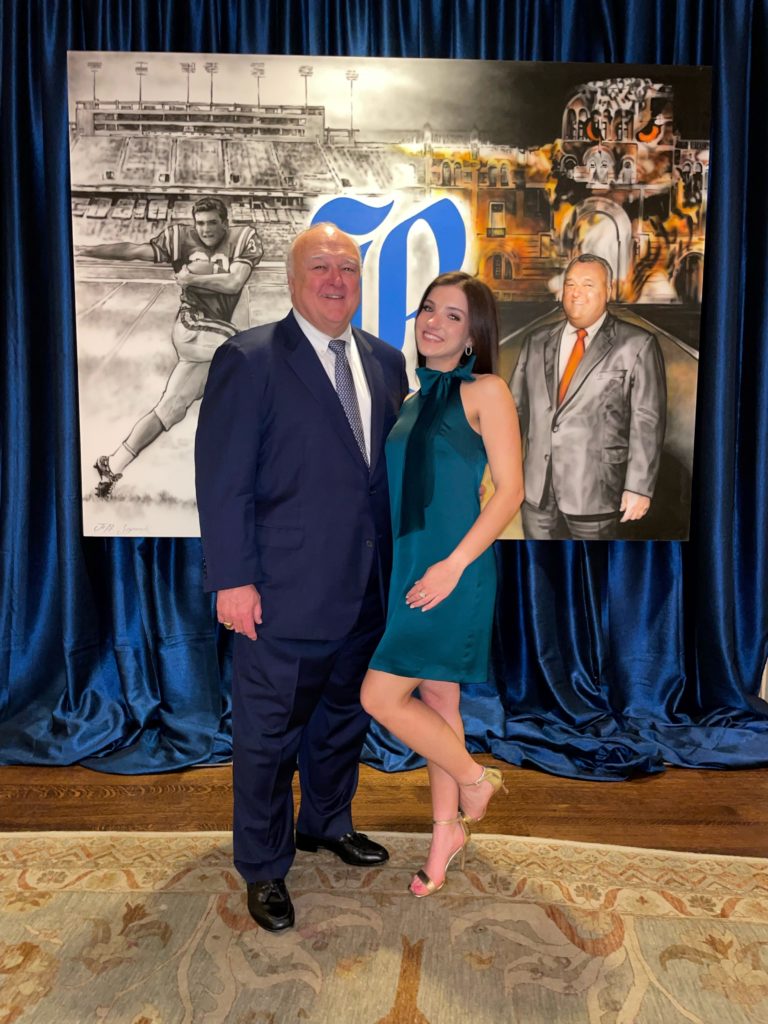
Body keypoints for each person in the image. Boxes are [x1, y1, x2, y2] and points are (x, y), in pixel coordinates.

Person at [194, 223, 408, 931]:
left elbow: (376, 480)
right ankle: (262, 865)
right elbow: (223, 482)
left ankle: (326, 821)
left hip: (366, 590)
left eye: (347, 267)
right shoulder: (247, 360)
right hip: (279, 594)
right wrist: (233, 580)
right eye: (320, 266)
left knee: (340, 721)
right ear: (292, 279)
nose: (336, 279)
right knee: (267, 737)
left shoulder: (385, 361)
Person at [360, 271, 524, 898]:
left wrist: (452, 566)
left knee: (379, 697)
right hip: (412, 567)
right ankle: (444, 834)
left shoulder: (488, 390)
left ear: (474, 333)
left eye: (453, 315)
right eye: (429, 309)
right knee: (440, 706)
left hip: (454, 571)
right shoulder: (408, 400)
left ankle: (475, 781)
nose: (433, 322)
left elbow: (509, 492)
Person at [75, 196, 262, 498]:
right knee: (250, 358)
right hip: (192, 327)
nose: (205, 229)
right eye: (200, 223)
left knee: (171, 408)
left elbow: (233, 283)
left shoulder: (243, 238)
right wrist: (85, 249)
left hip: (210, 338)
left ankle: (112, 464)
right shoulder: (180, 239)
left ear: (225, 222)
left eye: (212, 222)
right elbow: (134, 251)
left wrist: (190, 278)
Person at [510, 253, 667, 540]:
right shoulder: (535, 341)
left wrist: (639, 487)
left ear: (609, 291)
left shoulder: (637, 345)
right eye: (570, 284)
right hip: (536, 493)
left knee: (593, 575)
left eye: (587, 284)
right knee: (539, 573)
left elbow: (647, 421)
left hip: (596, 494)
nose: (576, 293)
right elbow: (513, 413)